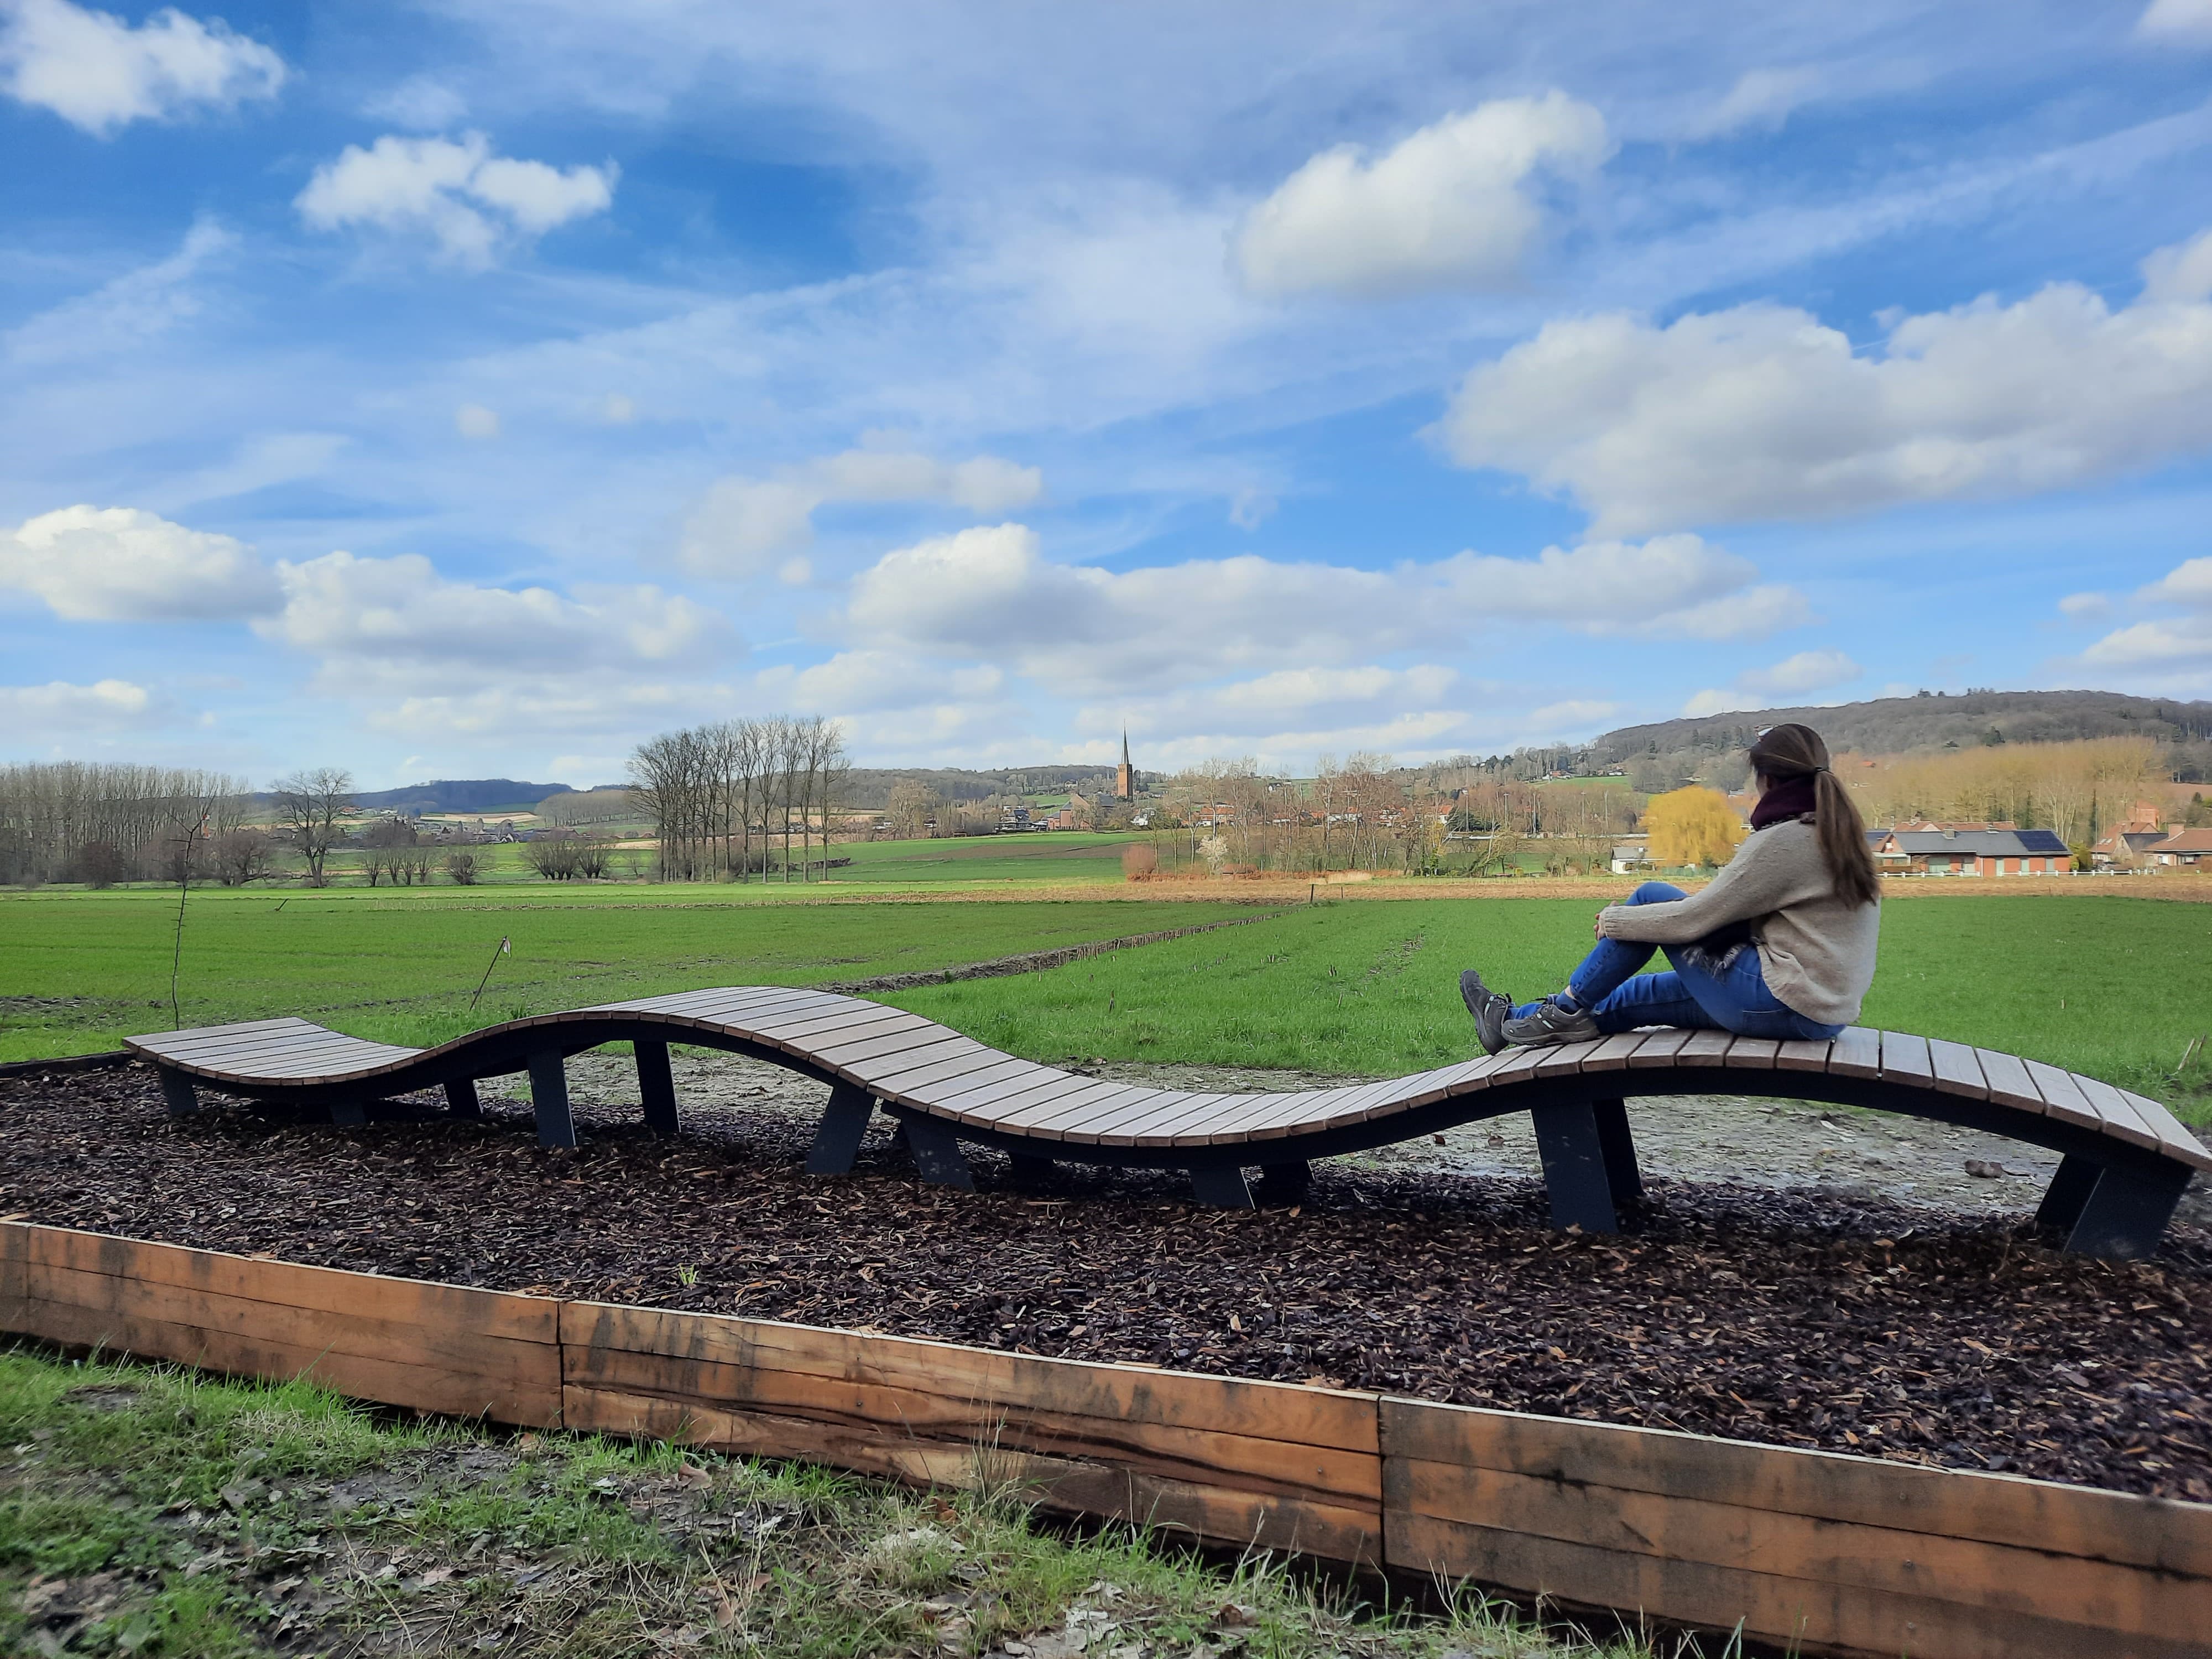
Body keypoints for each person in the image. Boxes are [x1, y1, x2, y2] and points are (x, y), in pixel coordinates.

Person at [1460, 723, 1881, 1052]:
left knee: (1650, 895)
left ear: (1766, 780)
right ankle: (1509, 1021)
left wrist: (1617, 920)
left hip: (1779, 1000)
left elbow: (1692, 920)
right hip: (1818, 1011)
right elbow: (1726, 915)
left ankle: (1565, 1008)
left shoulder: (1785, 839)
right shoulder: (1836, 832)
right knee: (1632, 997)